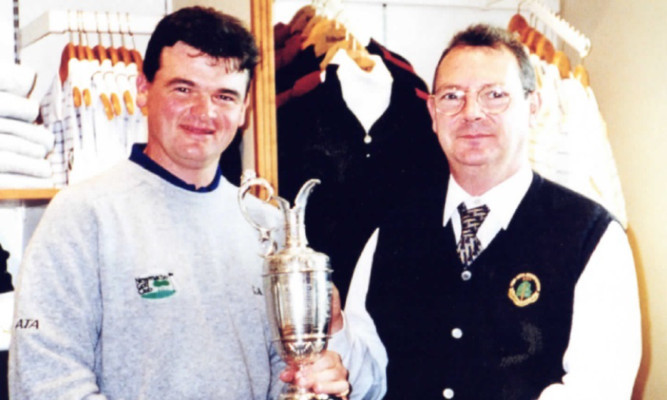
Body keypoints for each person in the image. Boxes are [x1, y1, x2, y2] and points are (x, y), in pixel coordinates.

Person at [9, 7, 379, 399]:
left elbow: (284, 375)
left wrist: (318, 374)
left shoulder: (268, 226)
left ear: (245, 109)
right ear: (143, 88)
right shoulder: (81, 216)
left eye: (224, 95)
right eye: (183, 89)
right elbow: (47, 382)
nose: (204, 112)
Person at [335, 24, 642, 399]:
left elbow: (598, 390)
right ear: (432, 113)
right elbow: (368, 378)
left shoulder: (592, 237)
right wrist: (336, 335)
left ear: (533, 108)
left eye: (494, 95)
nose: (472, 113)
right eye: (452, 96)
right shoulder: (391, 234)